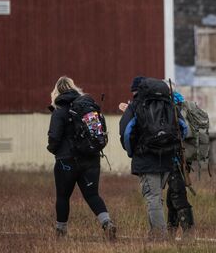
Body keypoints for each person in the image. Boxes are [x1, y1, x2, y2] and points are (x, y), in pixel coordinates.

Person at [47, 76, 116, 240]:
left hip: (66, 161)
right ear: (74, 88)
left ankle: (61, 233)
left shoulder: (59, 111)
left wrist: (53, 149)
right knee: (92, 195)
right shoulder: (87, 108)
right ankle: (107, 223)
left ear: (56, 91)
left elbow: (54, 138)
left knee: (63, 197)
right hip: (91, 158)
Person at [119, 77, 187, 240]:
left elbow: (126, 133)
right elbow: (184, 128)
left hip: (145, 158)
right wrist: (174, 147)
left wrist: (131, 152)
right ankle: (154, 233)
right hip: (168, 157)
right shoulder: (169, 104)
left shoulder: (135, 106)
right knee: (157, 197)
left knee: (153, 198)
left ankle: (159, 236)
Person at [166, 90, 195, 238]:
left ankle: (188, 232)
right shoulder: (180, 103)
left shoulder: (170, 105)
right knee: (172, 197)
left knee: (178, 195)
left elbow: (183, 130)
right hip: (184, 157)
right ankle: (171, 231)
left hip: (176, 158)